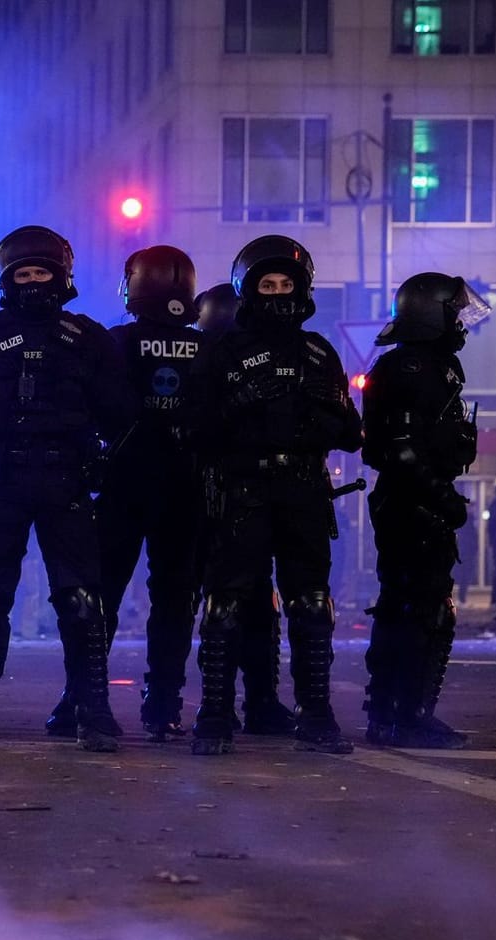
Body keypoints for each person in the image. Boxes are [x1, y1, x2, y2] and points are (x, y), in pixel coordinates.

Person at [0, 224, 130, 752]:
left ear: (62, 278)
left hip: (66, 478)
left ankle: (92, 710)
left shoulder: (87, 336)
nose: (34, 282)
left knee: (82, 598)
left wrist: (93, 436)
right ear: (6, 281)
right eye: (24, 274)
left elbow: (124, 412)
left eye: (43, 273)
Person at [189, 235, 363, 755]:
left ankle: (316, 714)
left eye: (287, 284)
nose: (278, 293)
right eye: (267, 284)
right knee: (226, 603)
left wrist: (322, 416)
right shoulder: (223, 352)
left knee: (311, 602)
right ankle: (215, 714)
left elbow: (352, 433)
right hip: (242, 490)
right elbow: (194, 429)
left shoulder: (318, 352)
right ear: (249, 289)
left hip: (303, 489)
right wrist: (239, 406)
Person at [48, 244, 203, 741]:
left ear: (134, 286)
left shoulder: (114, 341)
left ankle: (81, 699)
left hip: (123, 486)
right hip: (186, 490)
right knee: (176, 603)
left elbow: (87, 406)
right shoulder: (207, 349)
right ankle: (163, 707)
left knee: (100, 600)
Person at [360, 273, 487, 749]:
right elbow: (400, 450)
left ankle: (405, 711)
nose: (460, 322)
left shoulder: (433, 365)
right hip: (409, 501)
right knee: (412, 609)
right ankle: (400, 715)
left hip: (421, 500)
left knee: (424, 608)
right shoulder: (409, 368)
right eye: (452, 312)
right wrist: (440, 496)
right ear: (430, 313)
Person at [194, 286, 296, 736]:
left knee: (254, 606)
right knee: (228, 606)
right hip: (217, 498)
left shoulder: (228, 359)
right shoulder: (213, 365)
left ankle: (257, 701)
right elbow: (199, 429)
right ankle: (226, 705)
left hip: (240, 497)